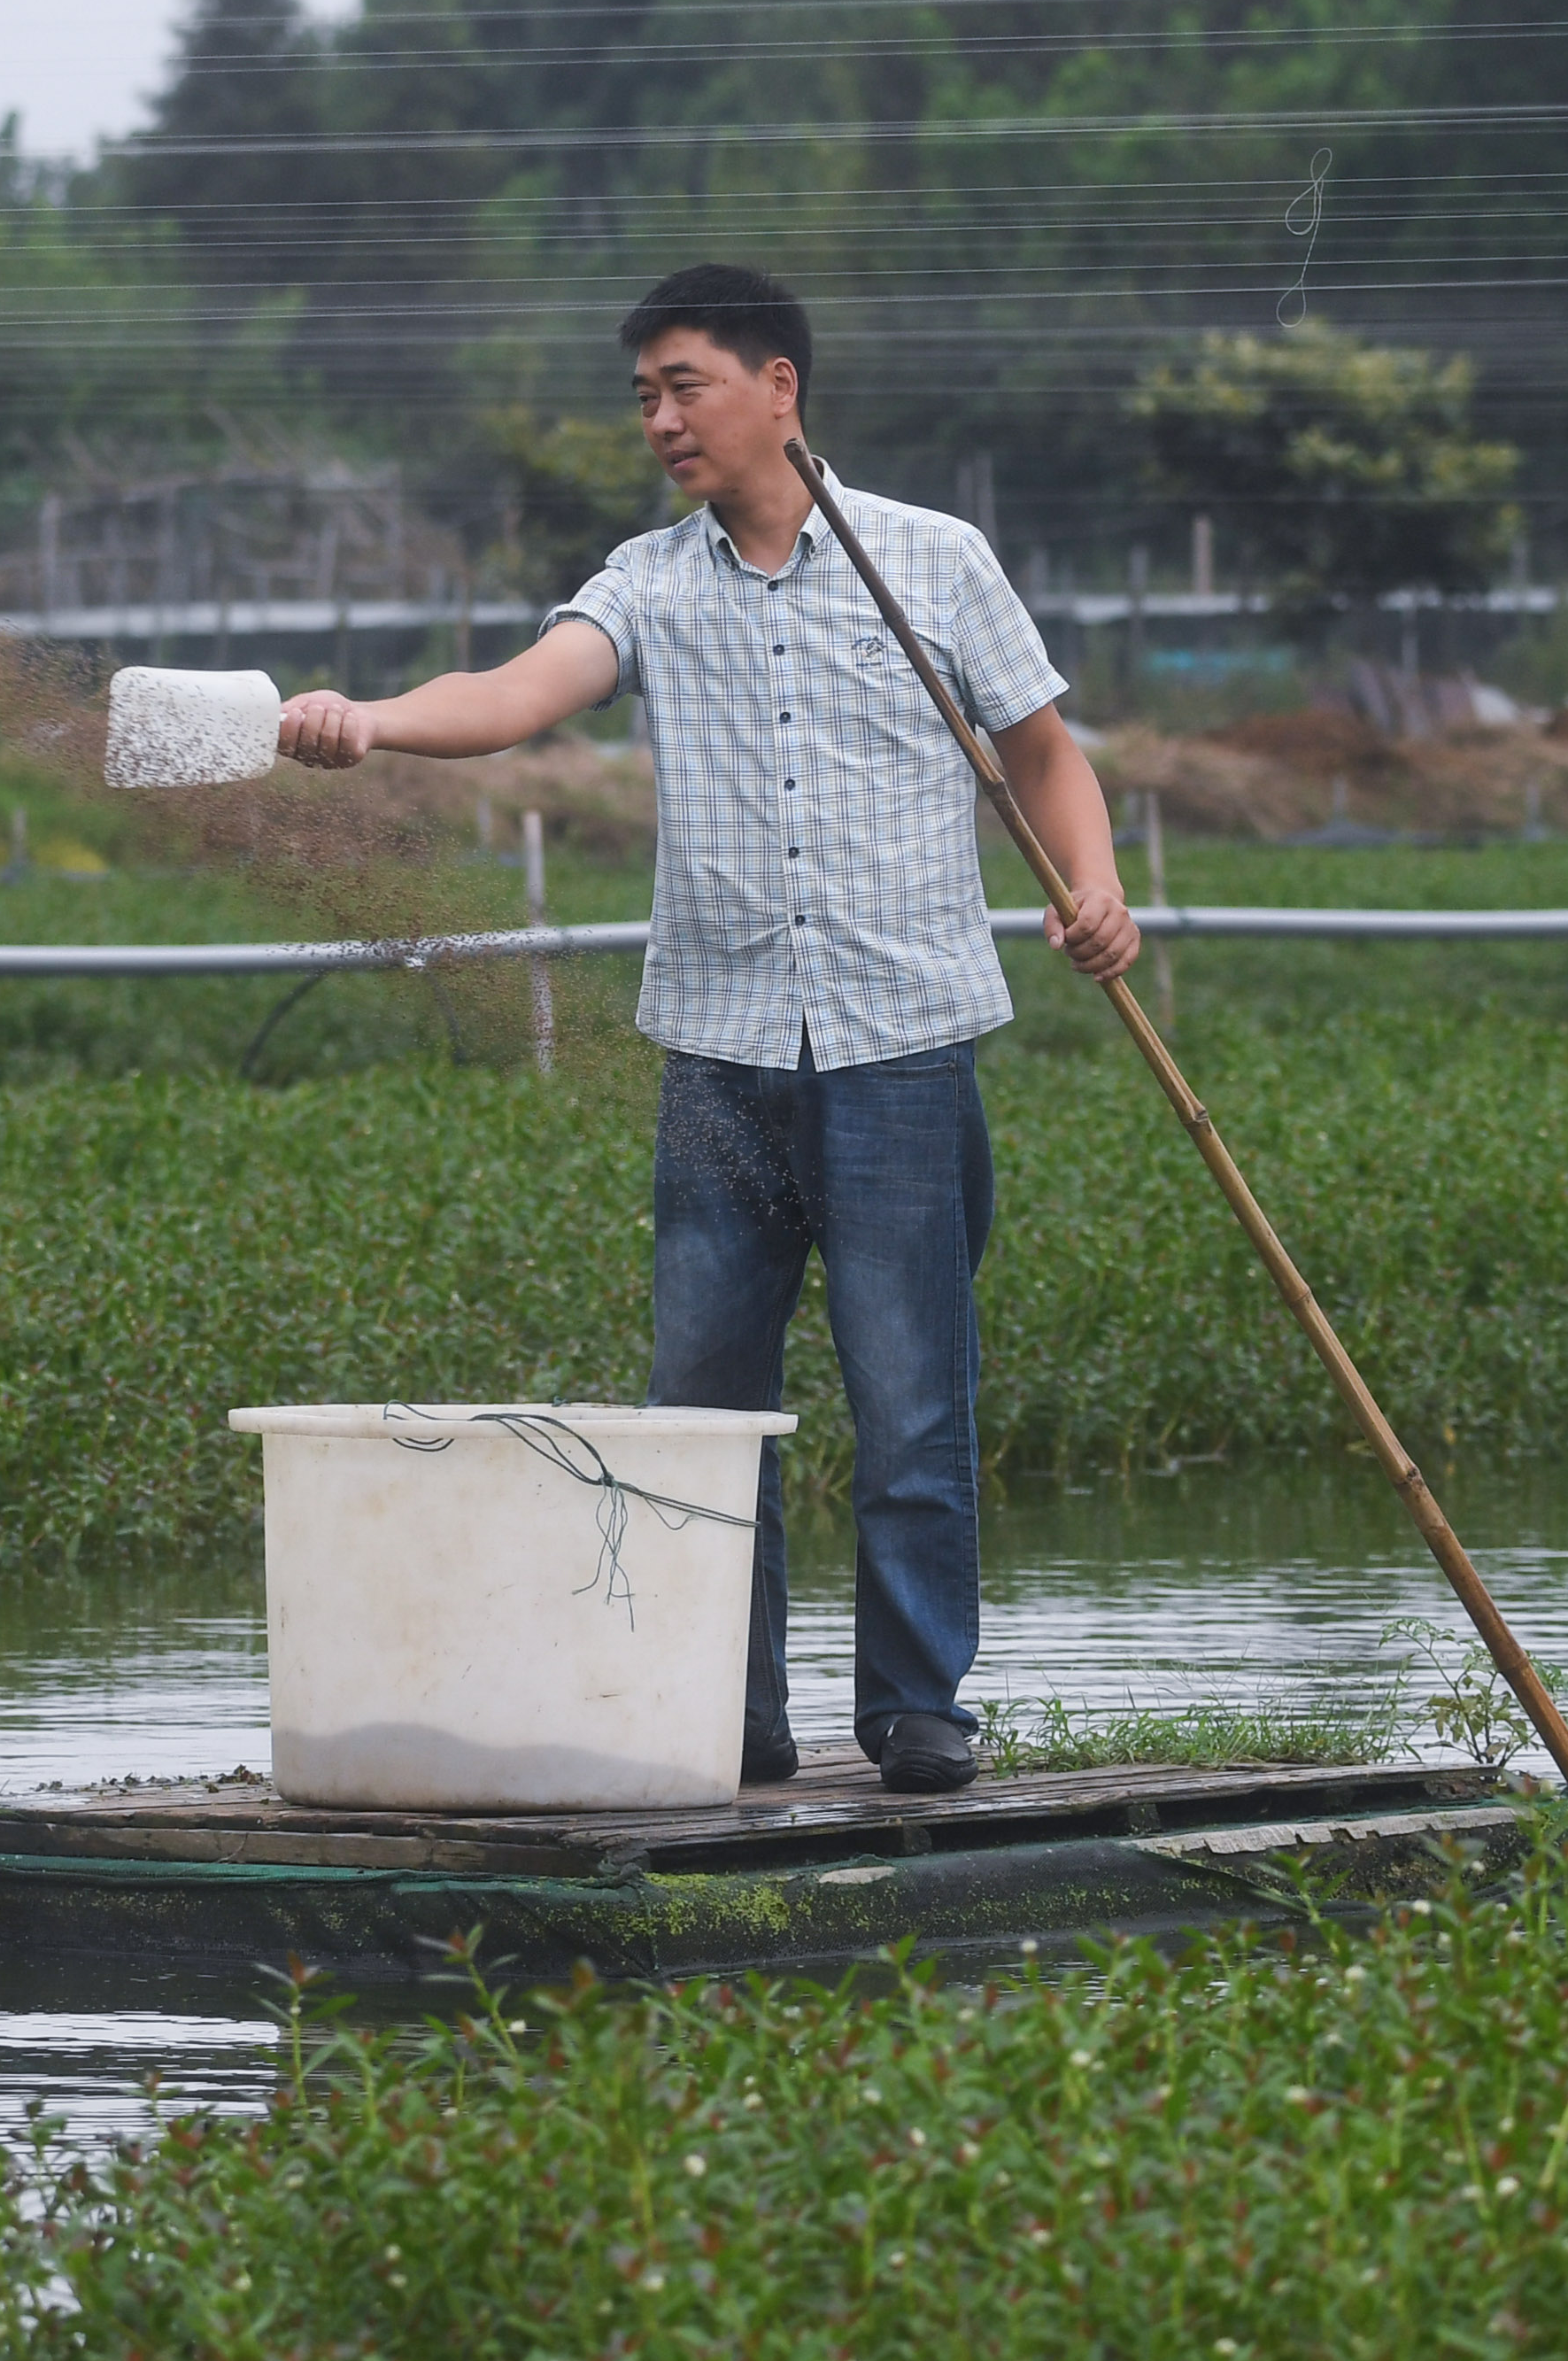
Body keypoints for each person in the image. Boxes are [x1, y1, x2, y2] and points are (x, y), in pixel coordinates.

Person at [274, 265, 1138, 1794]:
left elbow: (1046, 755)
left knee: (911, 1399)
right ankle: (722, 1716)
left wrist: (1098, 890)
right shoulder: (649, 582)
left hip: (900, 1044)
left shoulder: (931, 563)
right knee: (701, 1416)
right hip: (723, 1059)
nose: (663, 420)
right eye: (646, 398)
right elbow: (519, 692)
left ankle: (917, 1710)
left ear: (779, 387)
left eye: (687, 386)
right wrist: (374, 721)